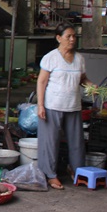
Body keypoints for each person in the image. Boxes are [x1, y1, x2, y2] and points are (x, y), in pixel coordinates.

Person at [36, 23, 94, 190]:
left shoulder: (79, 59)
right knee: (50, 142)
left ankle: (76, 170)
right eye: (68, 36)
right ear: (58, 38)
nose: (72, 39)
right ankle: (50, 175)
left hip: (73, 105)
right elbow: (41, 82)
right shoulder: (51, 57)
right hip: (52, 105)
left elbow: (83, 79)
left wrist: (92, 86)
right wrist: (40, 105)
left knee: (77, 142)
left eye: (74, 36)